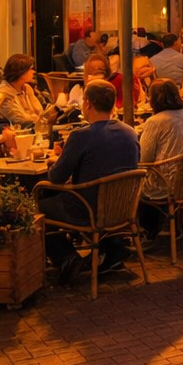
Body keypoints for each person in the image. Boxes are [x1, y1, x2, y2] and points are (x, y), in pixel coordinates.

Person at [38, 79, 140, 282]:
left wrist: (55, 161)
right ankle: (113, 248)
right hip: (123, 208)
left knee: (39, 203)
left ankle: (67, 258)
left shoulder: (81, 136)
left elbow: (56, 177)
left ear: (88, 103)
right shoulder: (130, 132)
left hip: (87, 210)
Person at [137, 78, 183, 239]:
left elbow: (144, 158)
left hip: (165, 185)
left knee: (130, 185)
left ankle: (146, 230)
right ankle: (165, 225)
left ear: (154, 99)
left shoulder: (155, 122)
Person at [0, 53, 50, 128]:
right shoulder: (3, 93)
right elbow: (19, 119)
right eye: (31, 69)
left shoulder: (27, 88)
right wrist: (37, 117)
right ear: (21, 72)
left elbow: (39, 111)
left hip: (33, 130)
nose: (33, 72)